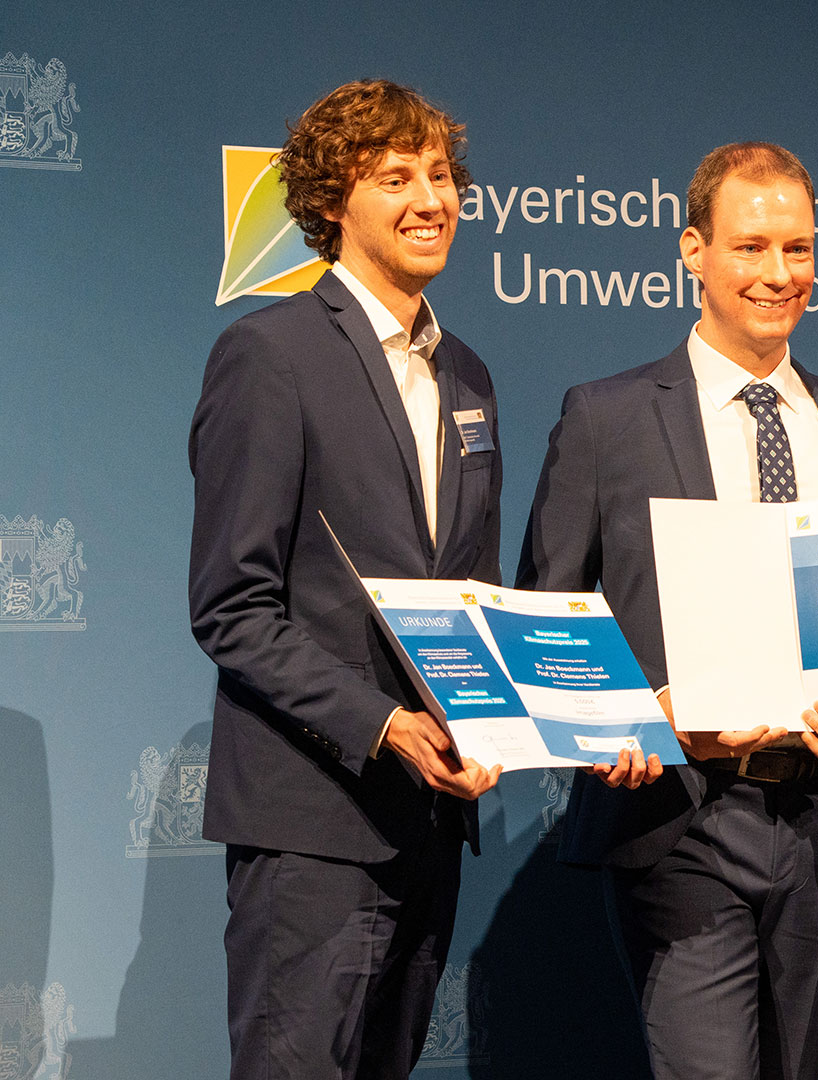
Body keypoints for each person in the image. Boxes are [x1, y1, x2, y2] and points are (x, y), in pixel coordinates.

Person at [518, 141, 818, 1080]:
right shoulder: (607, 416)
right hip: (682, 818)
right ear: (693, 252)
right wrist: (624, 721)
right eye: (750, 248)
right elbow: (549, 614)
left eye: (798, 249)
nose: (778, 275)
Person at [187, 79, 503, 1080]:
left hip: (430, 824)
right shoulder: (268, 354)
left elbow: (470, 595)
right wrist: (385, 725)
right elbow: (233, 609)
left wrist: (502, 715)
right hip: (312, 828)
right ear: (333, 203)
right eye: (396, 177)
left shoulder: (470, 377)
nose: (430, 198)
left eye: (442, 175)